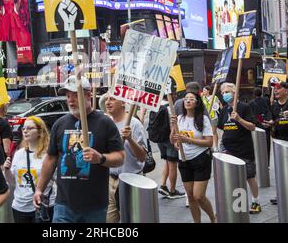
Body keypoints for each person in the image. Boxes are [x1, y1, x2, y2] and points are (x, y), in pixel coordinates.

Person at [33, 76, 124, 223]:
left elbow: (120, 157)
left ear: (88, 95)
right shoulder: (59, 124)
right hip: (64, 205)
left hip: (95, 207)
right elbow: (50, 159)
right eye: (68, 96)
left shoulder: (105, 123)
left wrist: (100, 158)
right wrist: (39, 189)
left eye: (75, 95)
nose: (70, 99)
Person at [171, 92, 216, 223]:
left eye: (191, 99)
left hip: (201, 159)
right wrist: (176, 140)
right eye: (186, 99)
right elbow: (172, 140)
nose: (188, 101)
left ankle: (213, 218)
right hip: (184, 160)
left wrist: (187, 140)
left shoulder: (203, 119)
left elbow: (209, 142)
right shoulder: (179, 118)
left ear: (197, 103)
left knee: (198, 196)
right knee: (190, 196)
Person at [218, 83, 261, 214]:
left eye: (228, 91)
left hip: (244, 148)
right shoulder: (225, 109)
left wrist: (239, 119)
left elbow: (252, 126)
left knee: (249, 176)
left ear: (234, 92)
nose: (225, 94)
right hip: (228, 149)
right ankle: (237, 204)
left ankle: (256, 201)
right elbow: (222, 128)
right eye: (223, 92)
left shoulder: (244, 107)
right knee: (231, 178)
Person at [4, 116, 56, 223]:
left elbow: (57, 180)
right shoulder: (19, 154)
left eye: (30, 128)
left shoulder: (48, 155)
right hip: (20, 207)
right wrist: (7, 170)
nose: (25, 131)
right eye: (23, 129)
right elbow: (12, 182)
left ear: (40, 132)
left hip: (42, 206)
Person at [104, 94, 147, 223]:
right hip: (110, 181)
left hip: (130, 181)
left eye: (112, 99)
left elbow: (142, 157)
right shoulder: (106, 123)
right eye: (106, 99)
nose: (108, 102)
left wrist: (130, 139)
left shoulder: (134, 124)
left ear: (123, 103)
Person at [151, 96, 186, 200]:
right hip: (169, 139)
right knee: (173, 165)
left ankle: (163, 185)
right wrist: (174, 139)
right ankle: (172, 190)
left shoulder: (155, 104)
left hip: (159, 139)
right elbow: (173, 124)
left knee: (167, 161)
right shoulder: (170, 106)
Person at [248, 87, 273, 165]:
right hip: (267, 124)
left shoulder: (250, 103)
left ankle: (258, 162)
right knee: (267, 144)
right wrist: (269, 121)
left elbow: (251, 115)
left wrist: (259, 122)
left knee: (257, 145)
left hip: (257, 125)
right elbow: (269, 110)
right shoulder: (266, 100)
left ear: (254, 94)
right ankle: (267, 163)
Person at [201, 85, 221, 150]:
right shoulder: (202, 98)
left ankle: (215, 146)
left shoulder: (214, 97)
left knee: (214, 132)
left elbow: (220, 104)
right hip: (205, 118)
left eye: (204, 90)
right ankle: (207, 146)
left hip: (213, 117)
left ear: (208, 91)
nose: (203, 91)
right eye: (203, 90)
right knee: (205, 131)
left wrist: (223, 112)